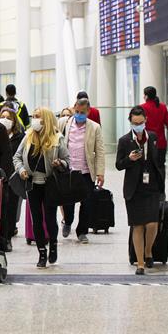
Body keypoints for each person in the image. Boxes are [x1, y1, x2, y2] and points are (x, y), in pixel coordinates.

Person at [13, 107, 69, 268]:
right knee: (36, 219)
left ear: (46, 119)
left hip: (49, 183)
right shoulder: (28, 136)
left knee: (51, 219)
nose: (34, 120)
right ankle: (42, 252)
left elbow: (67, 160)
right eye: (34, 116)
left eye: (38, 117)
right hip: (32, 184)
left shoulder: (57, 138)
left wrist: (60, 163)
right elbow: (17, 156)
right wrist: (22, 169)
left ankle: (53, 245)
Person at [115, 106, 164, 275]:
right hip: (134, 189)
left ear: (145, 121)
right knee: (137, 226)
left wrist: (162, 185)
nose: (138, 125)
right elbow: (118, 165)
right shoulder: (124, 141)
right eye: (135, 123)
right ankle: (140, 263)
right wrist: (129, 159)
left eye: (141, 122)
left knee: (152, 224)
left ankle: (149, 250)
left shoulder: (153, 137)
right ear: (130, 122)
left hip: (151, 187)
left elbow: (159, 162)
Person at [59, 98, 105, 243]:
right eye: (77, 111)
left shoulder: (94, 127)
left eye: (82, 112)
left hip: (86, 171)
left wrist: (100, 172)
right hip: (68, 170)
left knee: (87, 202)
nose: (79, 115)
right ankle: (68, 221)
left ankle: (82, 231)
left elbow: (100, 151)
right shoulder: (64, 123)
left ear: (88, 111)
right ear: (73, 108)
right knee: (68, 202)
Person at [0, 107, 25, 252]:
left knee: (12, 208)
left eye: (9, 118)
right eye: (3, 116)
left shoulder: (20, 137)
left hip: (14, 177)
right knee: (0, 208)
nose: (5, 120)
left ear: (14, 121)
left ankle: (7, 238)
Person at [140, 86, 168, 171]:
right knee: (160, 168)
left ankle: (150, 184)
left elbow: (138, 126)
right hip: (161, 144)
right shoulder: (162, 107)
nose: (143, 97)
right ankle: (160, 184)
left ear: (146, 96)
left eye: (144, 95)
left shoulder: (142, 108)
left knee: (148, 168)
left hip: (147, 143)